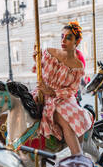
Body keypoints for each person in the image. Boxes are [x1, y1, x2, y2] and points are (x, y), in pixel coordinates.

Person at [32, 21, 92, 156]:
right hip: (42, 93)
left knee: (64, 119)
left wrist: (53, 92)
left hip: (62, 97)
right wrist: (36, 58)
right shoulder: (49, 53)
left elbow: (72, 89)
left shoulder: (77, 66)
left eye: (68, 37)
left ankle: (77, 155)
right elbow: (38, 70)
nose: (63, 40)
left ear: (77, 42)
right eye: (62, 36)